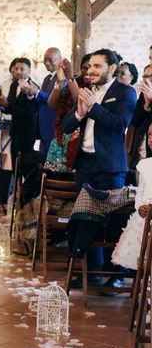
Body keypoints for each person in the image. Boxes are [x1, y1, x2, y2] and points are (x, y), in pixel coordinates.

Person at [62, 48, 137, 284]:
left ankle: (115, 273)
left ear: (112, 69)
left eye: (97, 66)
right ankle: (91, 272)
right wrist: (81, 113)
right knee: (86, 218)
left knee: (113, 221)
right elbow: (66, 126)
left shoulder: (124, 92)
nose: (90, 71)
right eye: (89, 67)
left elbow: (120, 123)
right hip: (85, 164)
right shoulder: (88, 92)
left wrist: (94, 107)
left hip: (110, 167)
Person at [44, 54, 91, 172]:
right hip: (62, 134)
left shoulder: (94, 88)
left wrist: (70, 78)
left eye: (91, 67)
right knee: (52, 177)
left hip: (79, 139)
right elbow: (51, 104)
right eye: (85, 68)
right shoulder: (75, 81)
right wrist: (59, 81)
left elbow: (78, 101)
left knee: (73, 180)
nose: (87, 71)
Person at [112, 142, 152, 270]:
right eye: (149, 135)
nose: (150, 139)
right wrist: (140, 206)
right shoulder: (145, 165)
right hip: (144, 219)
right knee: (142, 261)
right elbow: (140, 192)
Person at [0, 57, 38, 168]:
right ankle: (15, 186)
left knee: (26, 165)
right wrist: (2, 105)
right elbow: (10, 108)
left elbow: (29, 113)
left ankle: (25, 186)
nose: (18, 71)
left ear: (29, 71)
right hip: (15, 131)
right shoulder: (14, 85)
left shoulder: (33, 87)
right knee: (15, 165)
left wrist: (8, 105)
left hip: (27, 132)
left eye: (22, 69)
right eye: (16, 68)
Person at [20, 47, 61, 153]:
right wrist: (30, 94)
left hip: (53, 125)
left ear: (59, 60)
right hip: (43, 126)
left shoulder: (62, 79)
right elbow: (41, 100)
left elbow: (55, 100)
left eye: (50, 60)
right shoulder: (47, 78)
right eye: (45, 60)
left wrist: (37, 92)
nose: (47, 63)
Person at [127, 64, 152, 172]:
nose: (148, 79)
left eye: (151, 76)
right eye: (145, 76)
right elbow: (135, 121)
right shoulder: (143, 94)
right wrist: (146, 105)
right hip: (140, 151)